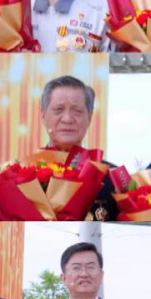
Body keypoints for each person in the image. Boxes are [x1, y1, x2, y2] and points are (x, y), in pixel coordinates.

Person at [41, 75, 117, 220]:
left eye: (77, 111)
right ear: (43, 114)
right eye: (58, 109)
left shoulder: (112, 178)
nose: (67, 119)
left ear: (89, 117)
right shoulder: (21, 175)